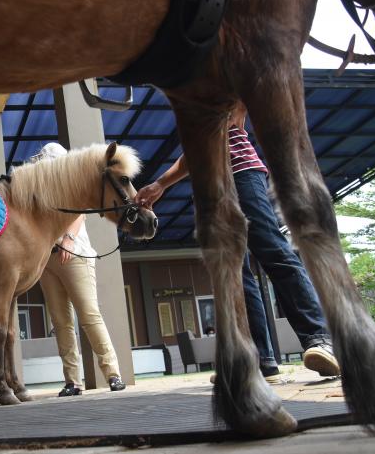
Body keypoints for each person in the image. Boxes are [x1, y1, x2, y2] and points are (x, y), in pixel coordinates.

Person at [135, 103, 340, 381]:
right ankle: (256, 361)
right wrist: (160, 184)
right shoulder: (188, 99)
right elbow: (194, 152)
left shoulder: (225, 80)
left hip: (241, 172)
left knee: (273, 251)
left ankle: (319, 340)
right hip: (207, 186)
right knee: (234, 274)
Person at [34, 143, 127, 396]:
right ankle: (72, 381)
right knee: (60, 322)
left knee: (89, 315)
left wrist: (68, 239)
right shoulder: (41, 187)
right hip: (48, 260)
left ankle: (113, 374)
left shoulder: (71, 184)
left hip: (75, 254)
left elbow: (81, 214)